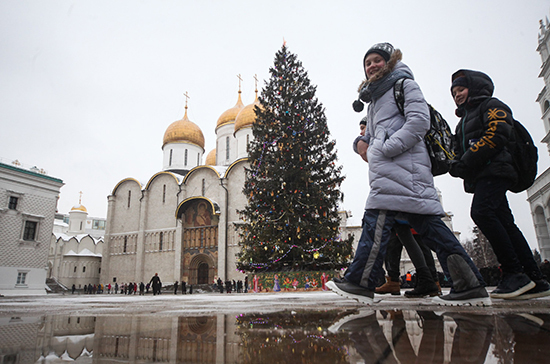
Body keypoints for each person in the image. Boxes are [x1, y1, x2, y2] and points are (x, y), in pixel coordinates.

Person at [327, 42, 489, 306]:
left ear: (389, 62)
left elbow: (419, 121)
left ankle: (359, 282)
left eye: (377, 60)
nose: (372, 66)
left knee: (375, 223)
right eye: (367, 63)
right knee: (432, 228)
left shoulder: (404, 85)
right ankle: (469, 284)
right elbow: (370, 134)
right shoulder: (375, 100)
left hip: (405, 169)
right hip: (391, 172)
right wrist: (360, 144)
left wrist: (386, 149)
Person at [449, 69, 550, 299]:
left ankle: (514, 272)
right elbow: (458, 149)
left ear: (473, 88)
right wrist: (456, 164)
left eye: (461, 89)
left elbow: (498, 131)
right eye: (454, 92)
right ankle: (534, 278)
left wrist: (467, 160)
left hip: (496, 170)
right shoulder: (462, 123)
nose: (457, 95)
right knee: (505, 221)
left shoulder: (491, 105)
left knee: (481, 212)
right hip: (482, 174)